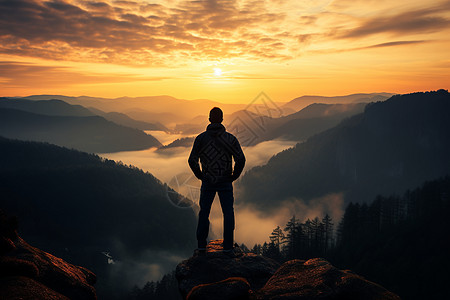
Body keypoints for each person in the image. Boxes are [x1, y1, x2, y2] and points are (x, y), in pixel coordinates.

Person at [188, 107, 245, 252]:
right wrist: (234, 176)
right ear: (222, 119)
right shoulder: (230, 139)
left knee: (204, 212)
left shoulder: (201, 139)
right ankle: (228, 247)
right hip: (225, 181)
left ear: (209, 119)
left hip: (208, 181)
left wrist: (200, 175)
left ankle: (201, 246)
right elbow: (240, 159)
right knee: (228, 212)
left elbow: (192, 160)